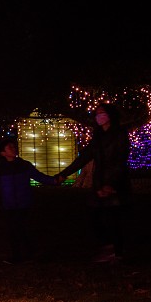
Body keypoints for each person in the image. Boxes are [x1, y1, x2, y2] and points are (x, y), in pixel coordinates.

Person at [55, 102, 132, 263]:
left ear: (110, 115)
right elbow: (84, 157)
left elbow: (120, 160)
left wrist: (111, 185)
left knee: (113, 218)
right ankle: (109, 248)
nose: (99, 116)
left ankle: (117, 252)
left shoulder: (119, 134)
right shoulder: (97, 137)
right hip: (100, 182)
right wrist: (64, 175)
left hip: (115, 183)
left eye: (102, 113)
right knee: (94, 216)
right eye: (97, 114)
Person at [0, 136, 57, 264]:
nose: (13, 149)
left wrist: (54, 180)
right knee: (14, 230)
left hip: (23, 203)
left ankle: (26, 254)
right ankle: (21, 254)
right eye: (10, 147)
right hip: (9, 205)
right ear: (3, 153)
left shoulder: (24, 165)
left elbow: (39, 176)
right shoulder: (1, 169)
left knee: (21, 228)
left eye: (13, 147)